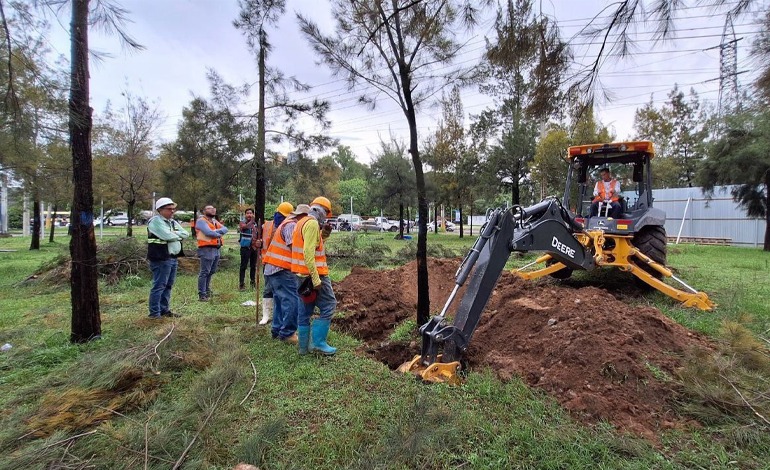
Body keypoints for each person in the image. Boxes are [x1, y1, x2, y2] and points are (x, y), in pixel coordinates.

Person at [292, 196, 336, 355]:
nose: (326, 217)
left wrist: (324, 234)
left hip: (301, 275)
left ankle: (303, 348)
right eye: (326, 214)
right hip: (313, 275)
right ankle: (318, 343)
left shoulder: (302, 222)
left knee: (305, 310)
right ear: (321, 211)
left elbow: (314, 243)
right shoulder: (311, 224)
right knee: (329, 305)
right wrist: (316, 278)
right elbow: (308, 253)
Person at [263, 204, 310, 343]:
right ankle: (288, 333)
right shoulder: (291, 225)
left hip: (273, 268)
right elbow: (293, 247)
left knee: (280, 300)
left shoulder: (285, 223)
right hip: (282, 269)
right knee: (291, 300)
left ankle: (277, 330)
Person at [146, 197, 189, 319]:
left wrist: (174, 234)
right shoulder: (155, 221)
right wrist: (175, 235)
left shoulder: (172, 222)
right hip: (160, 257)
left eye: (173, 209)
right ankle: (154, 313)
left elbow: (186, 234)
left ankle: (164, 310)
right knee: (159, 285)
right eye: (169, 209)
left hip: (172, 257)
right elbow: (166, 235)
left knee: (168, 285)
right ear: (160, 210)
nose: (172, 211)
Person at [258, 202, 295, 325]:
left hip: (279, 263)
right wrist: (256, 243)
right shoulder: (266, 225)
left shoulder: (286, 225)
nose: (281, 217)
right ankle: (266, 316)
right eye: (280, 214)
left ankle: (276, 321)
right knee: (269, 289)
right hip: (269, 261)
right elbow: (257, 240)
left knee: (279, 293)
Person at [195, 204, 228, 301]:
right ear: (204, 211)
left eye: (214, 208)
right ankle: (202, 294)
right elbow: (208, 233)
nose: (213, 210)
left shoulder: (214, 221)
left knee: (211, 271)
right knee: (205, 272)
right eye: (210, 208)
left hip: (216, 249)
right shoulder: (201, 221)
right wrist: (217, 232)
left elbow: (225, 229)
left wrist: (214, 232)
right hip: (206, 249)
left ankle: (207, 291)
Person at [238, 208, 259, 291]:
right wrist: (252, 221)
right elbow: (244, 227)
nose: (249, 215)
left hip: (254, 248)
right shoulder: (243, 222)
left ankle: (252, 283)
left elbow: (258, 233)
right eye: (247, 213)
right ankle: (241, 284)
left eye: (251, 213)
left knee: (253, 266)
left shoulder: (256, 224)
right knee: (243, 266)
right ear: (245, 215)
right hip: (245, 247)